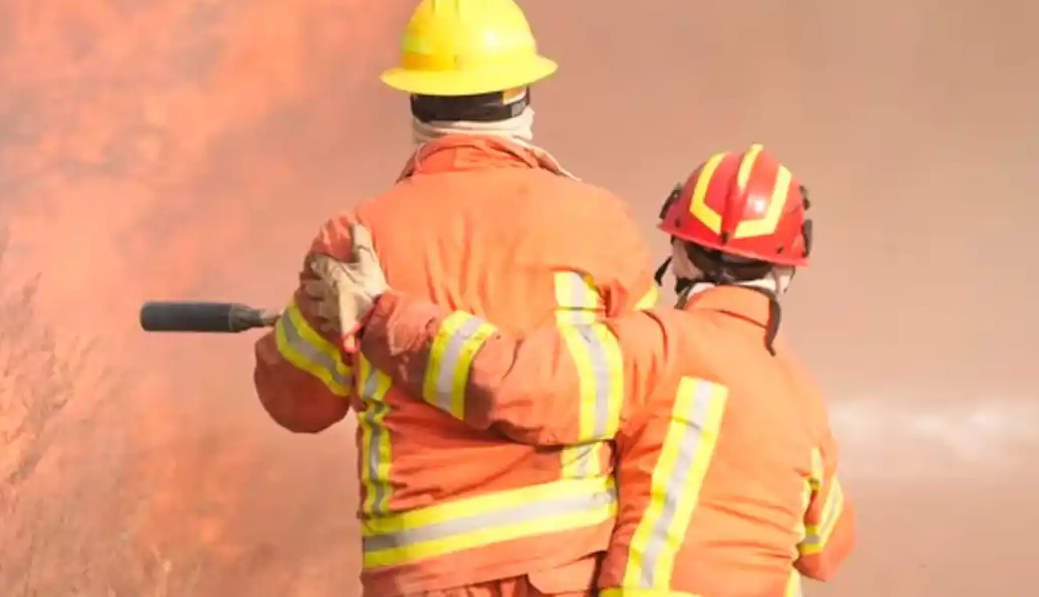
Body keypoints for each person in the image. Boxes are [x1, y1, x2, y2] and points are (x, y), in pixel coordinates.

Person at [251, 0, 660, 597]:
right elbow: (651, 402)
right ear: (522, 93)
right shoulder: (597, 222)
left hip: (422, 577)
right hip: (564, 572)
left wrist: (299, 330)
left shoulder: (356, 240)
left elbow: (298, 404)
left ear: (415, 97)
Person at [306, 145, 857, 597]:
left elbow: (509, 384)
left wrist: (381, 312)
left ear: (682, 251)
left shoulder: (654, 348)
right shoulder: (802, 395)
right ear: (787, 270)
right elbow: (827, 549)